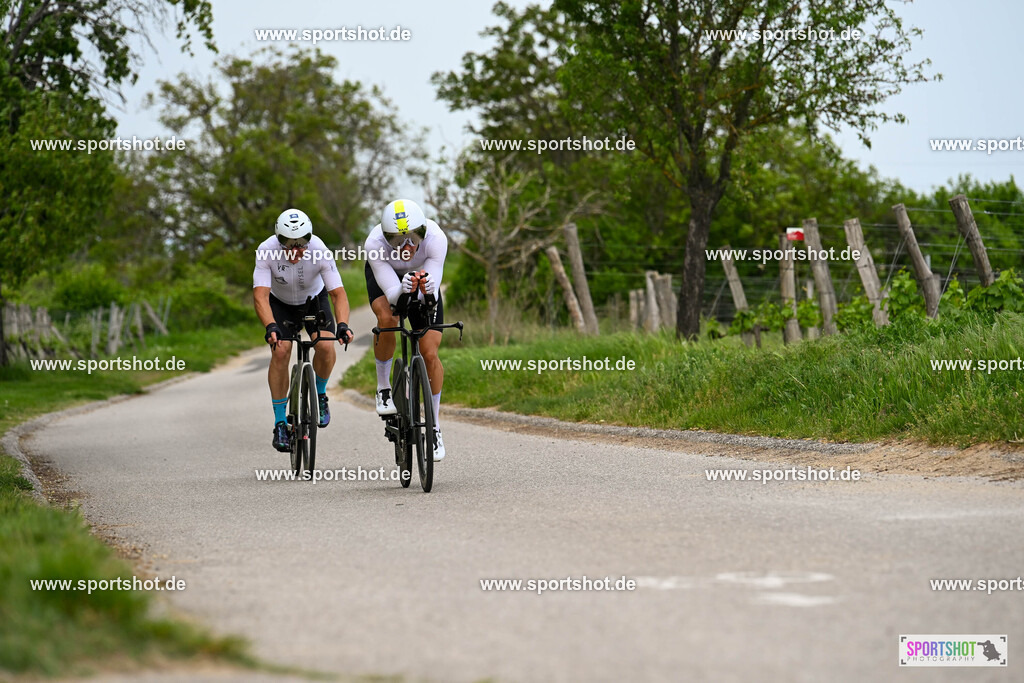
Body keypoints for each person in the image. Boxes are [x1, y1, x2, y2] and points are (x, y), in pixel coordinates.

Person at [254, 209, 354, 452]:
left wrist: (342, 325)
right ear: (279, 240)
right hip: (281, 305)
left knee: (325, 345)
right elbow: (261, 296)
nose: (296, 251)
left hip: (314, 300)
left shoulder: (319, 249)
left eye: (301, 245)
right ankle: (280, 423)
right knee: (281, 350)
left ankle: (320, 394)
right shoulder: (266, 250)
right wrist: (271, 327)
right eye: (289, 245)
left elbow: (337, 294)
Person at [364, 199, 449, 461]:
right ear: (385, 236)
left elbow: (430, 296)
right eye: (397, 240)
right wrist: (404, 287)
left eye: (413, 237)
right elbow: (392, 294)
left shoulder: (436, 238)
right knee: (389, 319)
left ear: (423, 231)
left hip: (423, 280)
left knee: (429, 352)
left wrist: (425, 287)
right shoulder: (374, 245)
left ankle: (433, 426)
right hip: (388, 279)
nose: (407, 246)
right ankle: (383, 388)